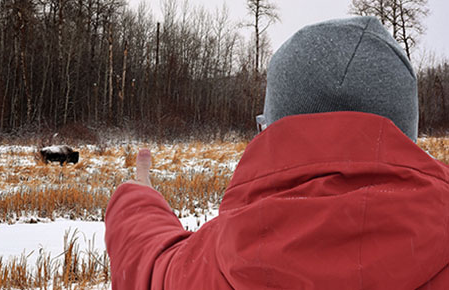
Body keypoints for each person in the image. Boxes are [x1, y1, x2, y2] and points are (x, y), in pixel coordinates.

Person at [105, 16, 449, 289]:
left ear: (270, 133)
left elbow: (151, 266)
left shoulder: (215, 265)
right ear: (407, 140)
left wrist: (138, 196)